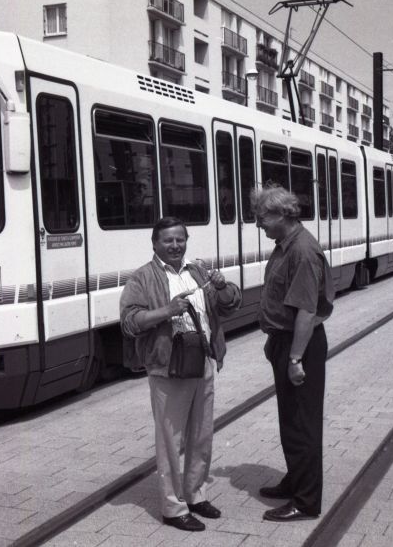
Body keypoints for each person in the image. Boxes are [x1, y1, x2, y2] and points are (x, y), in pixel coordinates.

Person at [119, 217, 241, 532]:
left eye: (180, 240)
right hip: (167, 367)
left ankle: (196, 494)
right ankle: (173, 508)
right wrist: (165, 312)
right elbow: (129, 322)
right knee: (171, 441)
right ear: (155, 244)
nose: (175, 246)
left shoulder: (198, 271)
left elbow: (229, 306)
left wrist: (222, 287)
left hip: (202, 362)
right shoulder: (143, 278)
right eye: (168, 241)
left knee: (201, 436)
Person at [252, 185, 334, 522]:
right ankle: (295, 480)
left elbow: (305, 311)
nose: (259, 224)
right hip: (286, 342)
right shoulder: (285, 245)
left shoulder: (301, 251)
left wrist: (296, 359)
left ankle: (306, 501)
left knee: (302, 424)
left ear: (282, 214)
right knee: (291, 420)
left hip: (301, 345)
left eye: (262, 217)